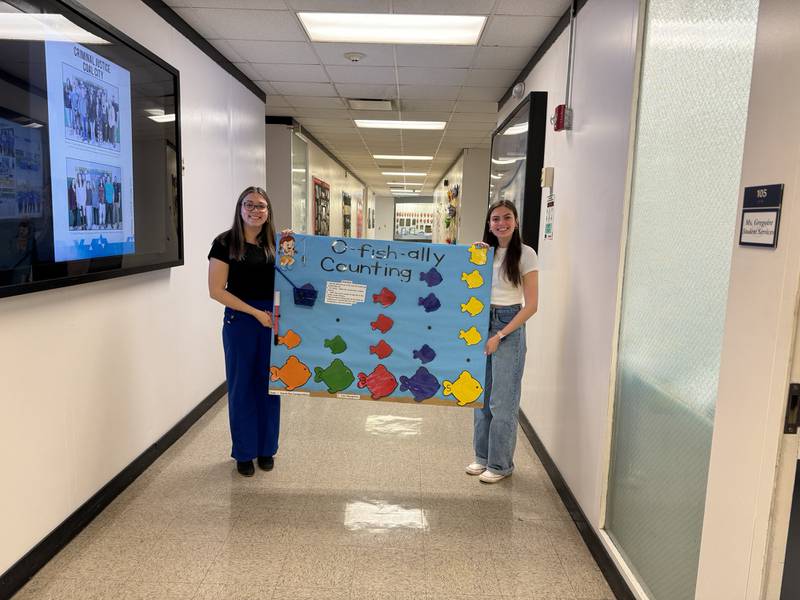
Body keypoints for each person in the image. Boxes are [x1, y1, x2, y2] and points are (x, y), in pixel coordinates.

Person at [208, 186, 280, 477]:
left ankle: (266, 449)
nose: (255, 210)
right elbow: (216, 291)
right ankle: (244, 452)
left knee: (270, 386)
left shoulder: (277, 243)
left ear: (268, 212)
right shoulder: (225, 243)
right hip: (241, 320)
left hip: (272, 320)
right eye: (249, 205)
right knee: (241, 387)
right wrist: (254, 313)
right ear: (240, 208)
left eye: (261, 206)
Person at [466, 199, 539, 483]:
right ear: (489, 224)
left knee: (503, 402)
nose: (501, 223)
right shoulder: (485, 253)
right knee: (481, 398)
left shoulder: (526, 254)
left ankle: (500, 465)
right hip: (481, 321)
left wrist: (500, 335)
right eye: (495, 219)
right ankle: (482, 457)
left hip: (508, 325)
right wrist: (473, 256)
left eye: (507, 218)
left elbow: (531, 306)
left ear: (516, 221)